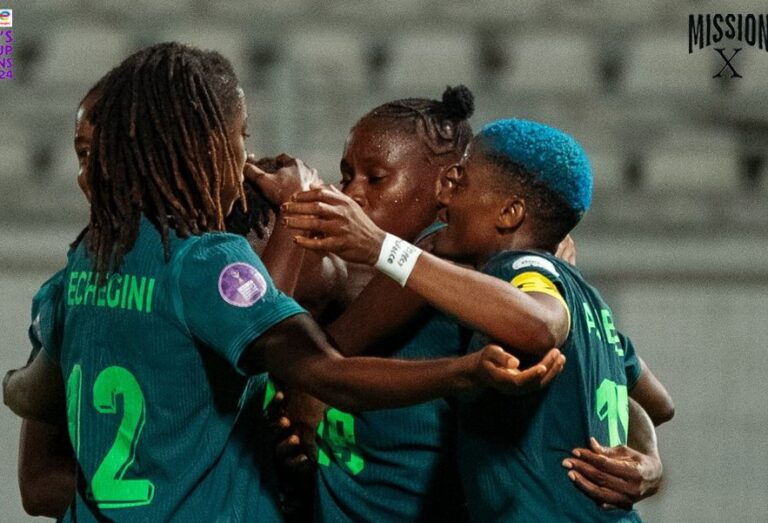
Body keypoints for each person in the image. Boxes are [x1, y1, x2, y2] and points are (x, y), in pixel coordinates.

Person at [2, 45, 559, 522]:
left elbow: (35, 390)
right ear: (203, 145)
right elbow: (324, 368)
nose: (243, 157)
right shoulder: (205, 262)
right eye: (239, 136)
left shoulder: (80, 269)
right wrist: (461, 372)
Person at [282, 118, 674, 521]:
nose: (351, 194)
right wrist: (645, 457)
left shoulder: (513, 270)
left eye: (460, 183)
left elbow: (542, 326)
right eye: (347, 175)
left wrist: (382, 248)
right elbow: (649, 400)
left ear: (510, 213)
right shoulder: (581, 296)